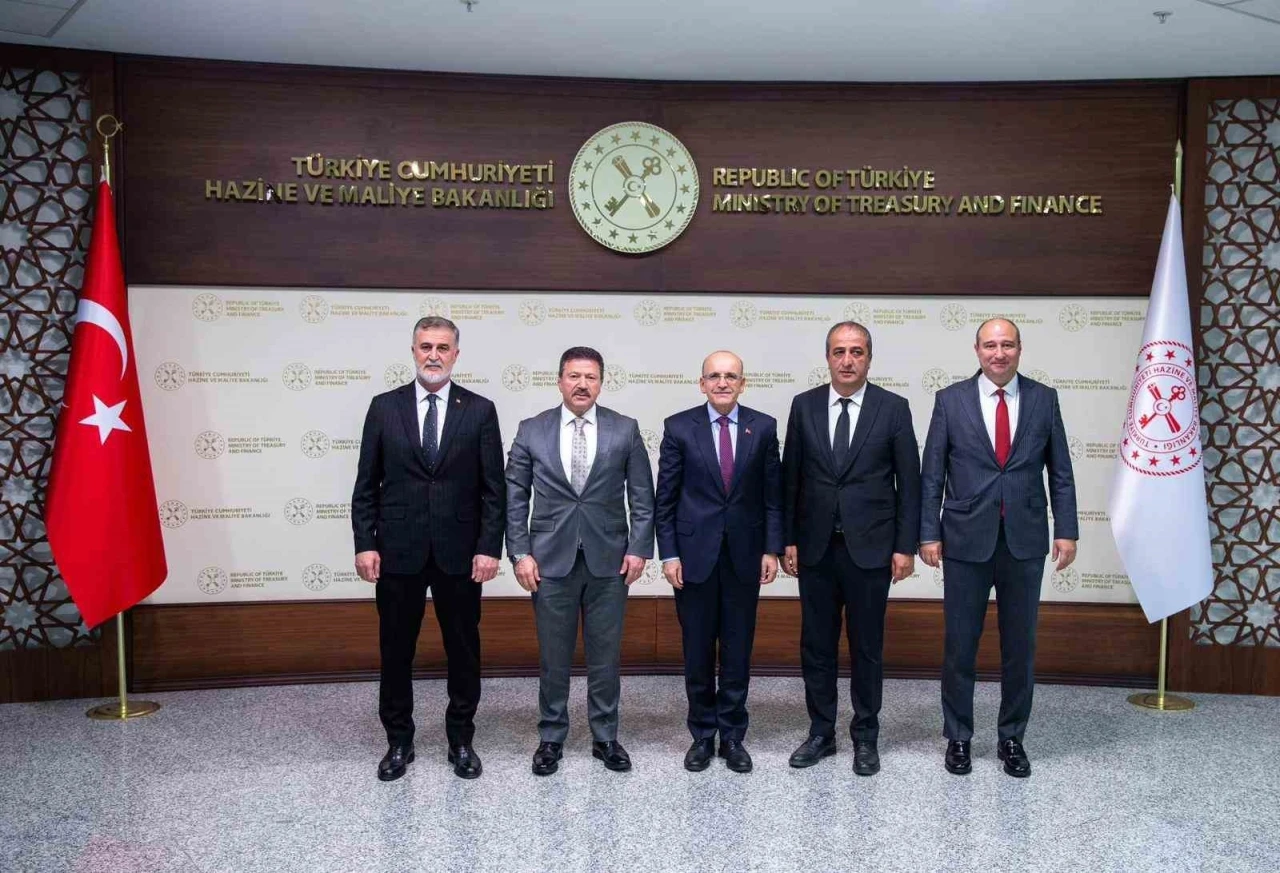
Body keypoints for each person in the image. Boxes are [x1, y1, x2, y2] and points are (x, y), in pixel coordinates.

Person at [919, 317, 1078, 778]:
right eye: (990, 345)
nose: (999, 353)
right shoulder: (950, 400)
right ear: (977, 350)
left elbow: (1061, 471)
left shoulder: (1044, 399)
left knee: (1019, 647)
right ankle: (959, 737)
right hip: (965, 538)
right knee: (960, 645)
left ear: (1019, 349)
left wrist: (1066, 530)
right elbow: (932, 474)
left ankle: (1012, 737)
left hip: (1024, 540)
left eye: (1007, 344)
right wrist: (928, 533)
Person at [351, 316, 505, 781]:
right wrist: (364, 543)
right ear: (413, 351)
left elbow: (493, 489)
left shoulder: (479, 410)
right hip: (398, 551)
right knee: (396, 650)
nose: (433, 355)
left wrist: (488, 548)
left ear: (456, 354)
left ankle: (461, 740)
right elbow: (366, 484)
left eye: (442, 347)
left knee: (464, 650)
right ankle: (399, 741)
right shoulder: (384, 407)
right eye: (425, 347)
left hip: (461, 553)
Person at [505, 346, 655, 775]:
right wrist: (520, 553)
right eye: (574, 376)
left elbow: (642, 496)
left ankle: (605, 736)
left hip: (609, 561)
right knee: (553, 657)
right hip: (549, 561)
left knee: (605, 656)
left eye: (590, 377)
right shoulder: (531, 430)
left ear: (601, 383)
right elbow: (515, 498)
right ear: (559, 381)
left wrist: (639, 548)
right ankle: (551, 737)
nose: (582, 384)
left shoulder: (625, 429)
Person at [781, 321, 921, 776]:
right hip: (816, 548)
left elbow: (910, 483)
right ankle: (821, 732)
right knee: (816, 646)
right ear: (827, 358)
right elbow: (790, 477)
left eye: (856, 352)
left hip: (872, 550)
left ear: (869, 359)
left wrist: (905, 546)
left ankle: (866, 735)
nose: (847, 360)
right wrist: (788, 539)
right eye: (839, 351)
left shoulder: (893, 408)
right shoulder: (803, 406)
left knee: (867, 647)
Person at [655, 350, 782, 774]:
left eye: (730, 376)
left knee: (737, 650)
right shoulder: (678, 427)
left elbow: (773, 496)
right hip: (693, 558)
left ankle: (732, 736)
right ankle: (701, 735)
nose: (722, 383)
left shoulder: (763, 427)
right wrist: (669, 553)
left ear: (743, 383)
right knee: (696, 650)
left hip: (745, 557)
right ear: (702, 383)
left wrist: (771, 549)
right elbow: (665, 498)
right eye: (714, 376)